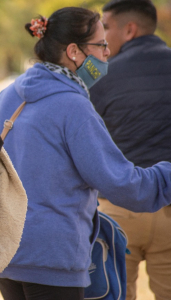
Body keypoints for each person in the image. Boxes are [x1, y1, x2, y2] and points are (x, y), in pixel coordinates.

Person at [0, 7, 171, 300]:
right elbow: (122, 184)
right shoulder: (73, 105)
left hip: (5, 251)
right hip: (52, 258)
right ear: (74, 51)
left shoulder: (9, 94)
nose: (108, 53)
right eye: (101, 45)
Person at [89, 1, 171, 299]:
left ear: (130, 29)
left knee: (116, 292)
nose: (102, 37)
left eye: (106, 27)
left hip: (119, 209)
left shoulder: (100, 75)